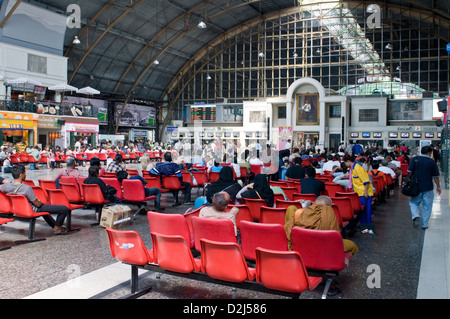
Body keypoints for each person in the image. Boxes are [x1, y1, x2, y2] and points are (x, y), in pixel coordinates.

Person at [1, 165, 69, 234]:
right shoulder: (27, 188)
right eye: (25, 173)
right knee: (63, 209)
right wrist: (41, 202)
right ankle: (57, 227)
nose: (25, 175)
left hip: (18, 210)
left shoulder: (7, 186)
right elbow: (37, 204)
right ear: (21, 175)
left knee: (45, 210)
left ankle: (55, 226)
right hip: (32, 209)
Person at [284, 195, 359, 255]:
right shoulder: (329, 212)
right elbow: (335, 236)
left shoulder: (301, 213)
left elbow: (288, 229)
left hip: (300, 246)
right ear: (329, 206)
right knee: (352, 245)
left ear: (314, 204)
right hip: (322, 247)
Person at [407, 146, 441, 229]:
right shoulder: (432, 162)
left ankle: (415, 216)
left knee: (414, 203)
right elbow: (436, 177)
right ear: (429, 153)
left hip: (416, 187)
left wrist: (412, 180)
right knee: (427, 206)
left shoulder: (414, 159)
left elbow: (409, 172)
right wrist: (438, 187)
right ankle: (424, 224)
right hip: (428, 187)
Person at [343, 154, 374, 234]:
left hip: (364, 192)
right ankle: (364, 227)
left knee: (366, 210)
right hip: (359, 192)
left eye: (345, 162)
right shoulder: (352, 169)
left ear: (348, 161)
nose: (345, 164)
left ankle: (368, 227)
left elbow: (366, 181)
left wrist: (365, 192)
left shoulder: (358, 168)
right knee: (363, 210)